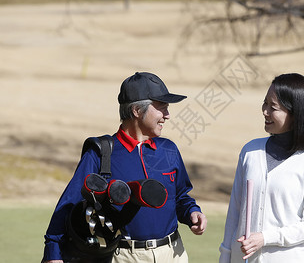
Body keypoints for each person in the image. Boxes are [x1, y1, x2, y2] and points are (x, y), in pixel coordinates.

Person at [42, 72, 207, 263]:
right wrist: (52, 253)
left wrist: (192, 212)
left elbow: (180, 196)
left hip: (173, 253)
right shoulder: (101, 153)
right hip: (124, 257)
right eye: (162, 108)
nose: (167, 116)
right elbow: (68, 205)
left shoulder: (168, 150)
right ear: (137, 110)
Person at [219, 73, 304, 263]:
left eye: (274, 107)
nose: (265, 111)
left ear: (296, 114)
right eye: (265, 104)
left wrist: (265, 238)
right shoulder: (250, 151)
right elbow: (235, 212)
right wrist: (225, 256)